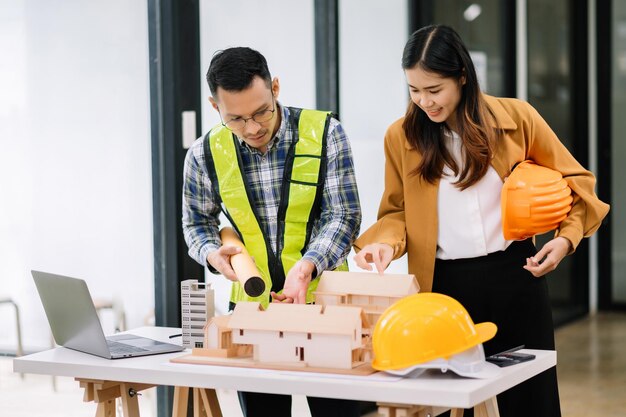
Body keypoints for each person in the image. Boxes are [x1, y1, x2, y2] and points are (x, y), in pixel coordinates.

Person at [353, 25, 609, 417]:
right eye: (414, 90)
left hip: (518, 278)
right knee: (449, 406)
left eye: (434, 89)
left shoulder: (517, 119)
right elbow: (395, 212)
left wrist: (566, 239)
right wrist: (385, 243)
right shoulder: (401, 137)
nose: (424, 101)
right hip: (442, 292)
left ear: (462, 76)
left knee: (532, 402)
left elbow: (579, 183)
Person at [182, 47, 362, 417]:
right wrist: (212, 254)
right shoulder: (204, 154)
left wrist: (308, 265)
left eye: (261, 111)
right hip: (252, 312)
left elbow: (344, 214)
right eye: (236, 118)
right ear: (214, 106)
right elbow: (196, 224)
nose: (252, 128)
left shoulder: (326, 133)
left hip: (326, 305)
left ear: (275, 87)